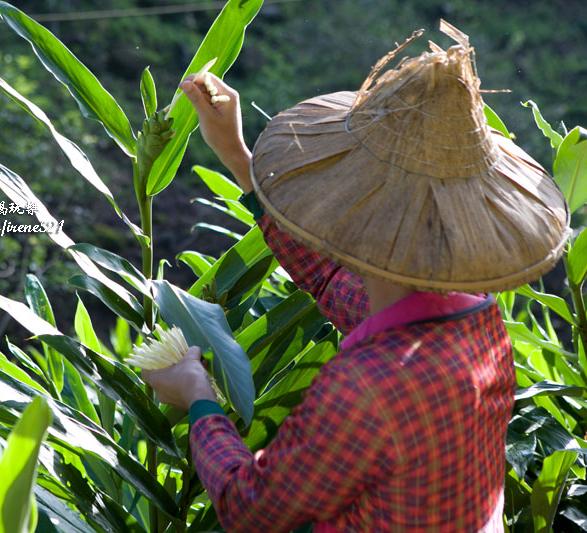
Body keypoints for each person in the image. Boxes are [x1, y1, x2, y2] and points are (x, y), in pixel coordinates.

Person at [142, 24, 570, 532]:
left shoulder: (367, 386)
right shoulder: (476, 318)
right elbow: (328, 278)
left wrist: (199, 399)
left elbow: (251, 510)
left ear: (349, 206)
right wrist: (238, 157)